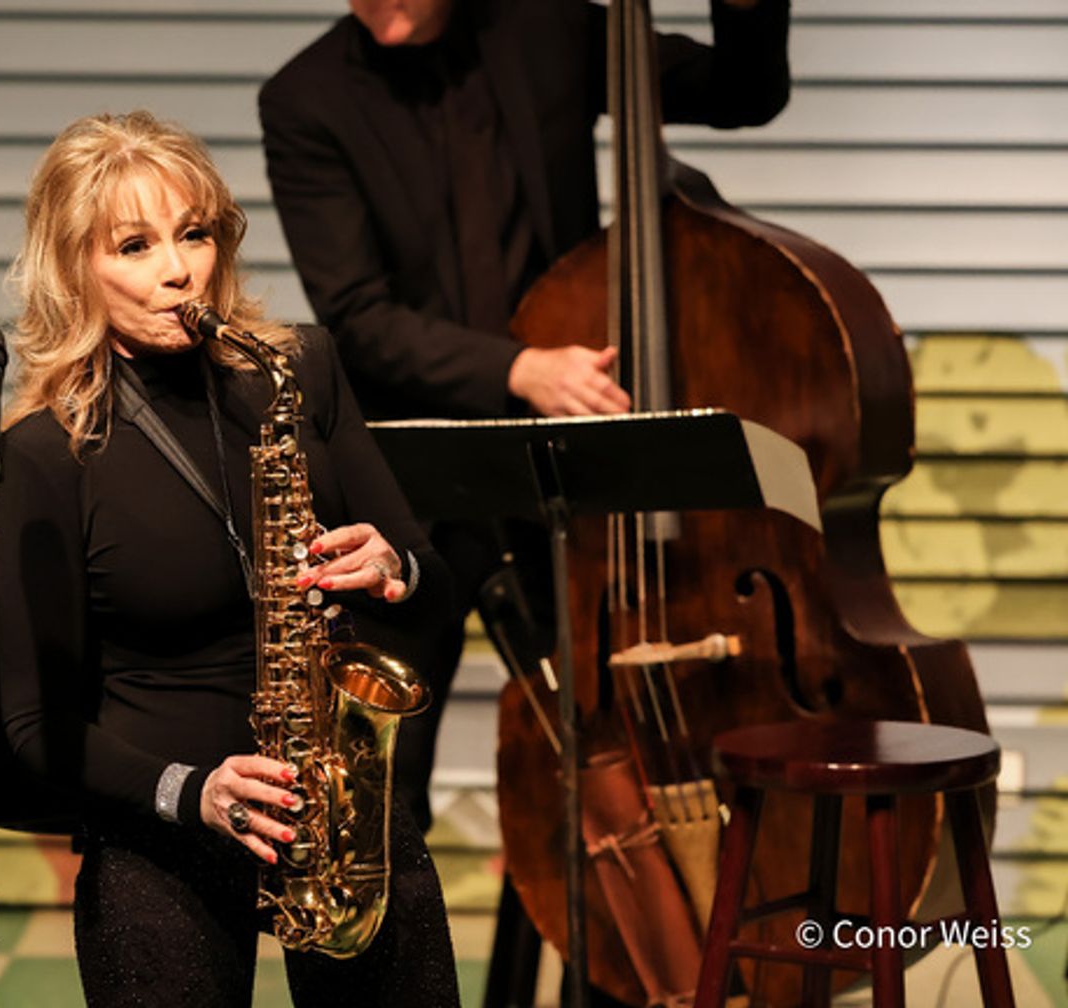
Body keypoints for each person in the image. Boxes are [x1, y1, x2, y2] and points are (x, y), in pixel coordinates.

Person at [259, 0, 792, 833]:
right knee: (380, 775)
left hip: (568, 472)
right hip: (415, 483)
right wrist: (518, 369)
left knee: (616, 754)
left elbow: (744, 92)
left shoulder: (552, 31)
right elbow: (357, 315)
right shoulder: (304, 98)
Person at [0, 109, 461, 1008]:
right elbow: (31, 726)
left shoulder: (299, 369)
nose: (177, 271)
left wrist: (395, 566)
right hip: (161, 824)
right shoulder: (48, 455)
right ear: (72, 268)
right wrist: (192, 793)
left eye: (194, 234)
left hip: (340, 815)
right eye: (133, 245)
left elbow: (432, 591)